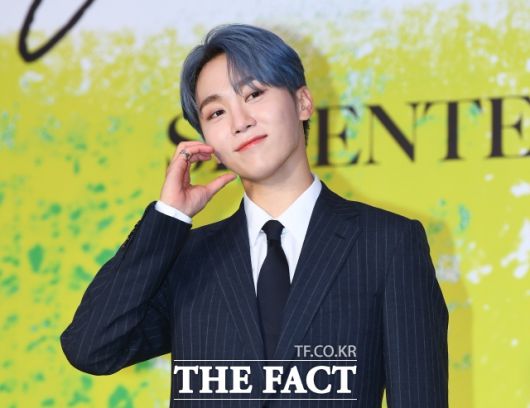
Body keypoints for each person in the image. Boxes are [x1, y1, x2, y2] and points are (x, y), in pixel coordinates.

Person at [61, 24, 448, 407]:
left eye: (254, 94)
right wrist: (168, 218)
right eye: (216, 112)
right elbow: (91, 347)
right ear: (206, 141)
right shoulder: (187, 258)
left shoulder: (387, 244)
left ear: (302, 102)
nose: (240, 121)